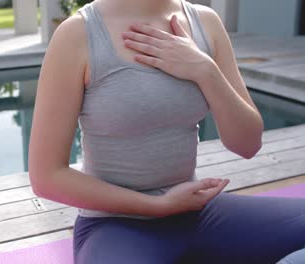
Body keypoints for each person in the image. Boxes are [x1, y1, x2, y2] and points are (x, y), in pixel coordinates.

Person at [28, 0, 305, 263]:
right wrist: (159, 205)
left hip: (199, 213)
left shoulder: (205, 22)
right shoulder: (77, 35)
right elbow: (47, 177)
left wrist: (205, 71)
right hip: (114, 225)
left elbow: (247, 144)